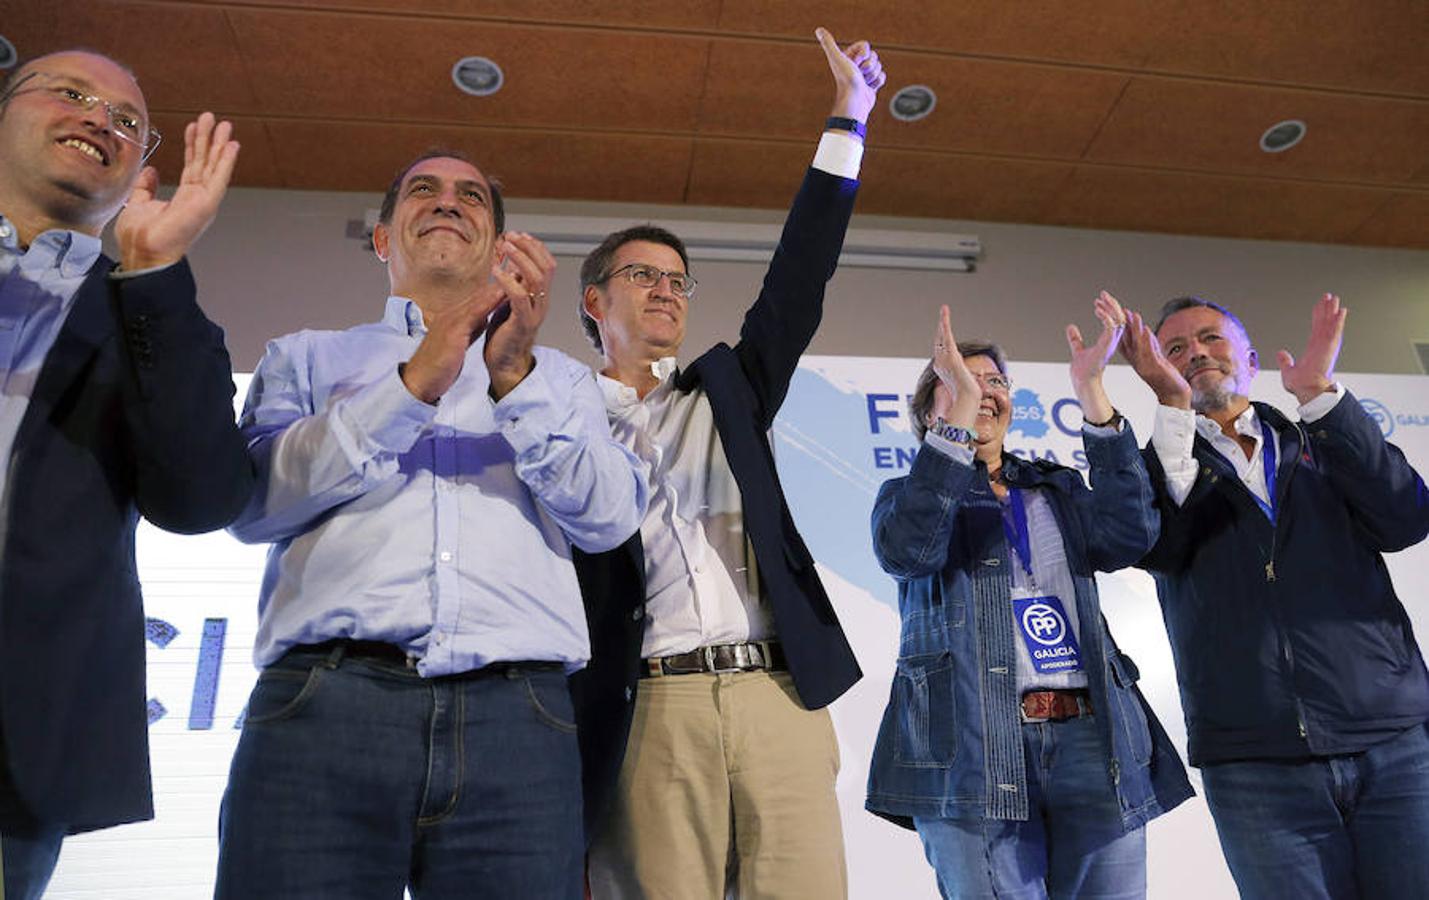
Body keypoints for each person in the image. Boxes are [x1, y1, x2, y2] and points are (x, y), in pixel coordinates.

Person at [214, 149, 647, 898]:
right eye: (424, 190)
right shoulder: (306, 358)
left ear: (497, 244)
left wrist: (512, 379)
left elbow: (606, 521)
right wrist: (415, 383)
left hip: (519, 719)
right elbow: (252, 506)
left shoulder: (564, 380)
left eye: (471, 197)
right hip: (326, 705)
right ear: (383, 238)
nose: (448, 202)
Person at [572, 27, 881, 899]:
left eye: (677, 279)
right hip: (647, 710)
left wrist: (846, 119)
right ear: (594, 302)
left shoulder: (730, 392)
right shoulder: (554, 420)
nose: (666, 289)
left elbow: (798, 275)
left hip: (775, 693)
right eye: (641, 275)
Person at [0, 49, 252, 898]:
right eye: (69, 95)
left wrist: (154, 275)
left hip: (17, 734)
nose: (99, 119)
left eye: (128, 122)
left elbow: (198, 501)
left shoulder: (149, 315)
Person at [865, 295, 1193, 899]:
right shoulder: (904, 495)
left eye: (994, 381)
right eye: (960, 380)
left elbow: (1132, 535)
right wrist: (956, 425)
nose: (983, 389)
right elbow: (909, 551)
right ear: (929, 409)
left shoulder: (1055, 487)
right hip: (972, 747)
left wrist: (1092, 390)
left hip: (1091, 742)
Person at [1119, 292, 1429, 899]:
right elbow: (1152, 547)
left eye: (1211, 338)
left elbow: (1404, 518)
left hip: (1393, 742)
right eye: (1174, 349)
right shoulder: (1156, 469)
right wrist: (1173, 409)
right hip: (1254, 763)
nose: (1196, 354)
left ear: (1251, 359)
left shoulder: (1324, 438)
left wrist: (1321, 395)